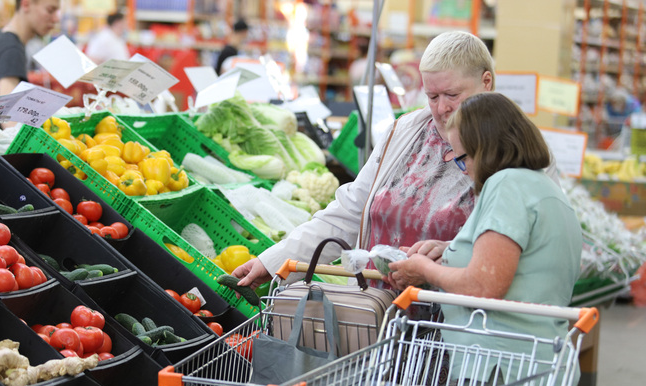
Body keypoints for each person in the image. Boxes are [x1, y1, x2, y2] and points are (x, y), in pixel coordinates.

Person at [233, 31, 558, 291]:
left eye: (453, 95)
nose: (442, 108)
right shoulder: (404, 132)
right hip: (377, 317)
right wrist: (273, 260)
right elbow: (348, 213)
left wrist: (447, 257)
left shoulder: (514, 150)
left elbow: (524, 251)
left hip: (453, 330)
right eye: (432, 96)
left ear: (486, 82)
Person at [388, 92, 582, 386]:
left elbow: (483, 286)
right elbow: (516, 265)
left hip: (499, 375)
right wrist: (450, 249)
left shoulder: (506, 184)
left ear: (488, 148)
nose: (465, 170)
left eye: (464, 158)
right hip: (530, 368)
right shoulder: (543, 189)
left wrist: (422, 272)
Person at [0, 0, 60, 124]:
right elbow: (10, 121)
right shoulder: (12, 50)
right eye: (50, 10)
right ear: (26, 4)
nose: (56, 19)